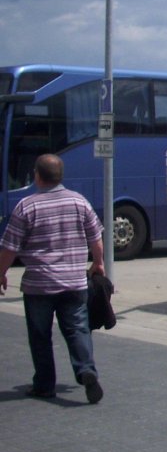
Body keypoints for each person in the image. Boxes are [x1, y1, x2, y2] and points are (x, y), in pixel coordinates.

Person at [0, 154, 106, 403]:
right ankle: (86, 370)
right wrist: (98, 263)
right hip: (74, 282)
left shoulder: (27, 206)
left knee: (40, 335)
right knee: (77, 329)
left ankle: (44, 384)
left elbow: (9, 248)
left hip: (39, 285)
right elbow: (96, 237)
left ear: (37, 176)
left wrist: (1, 273)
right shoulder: (79, 202)